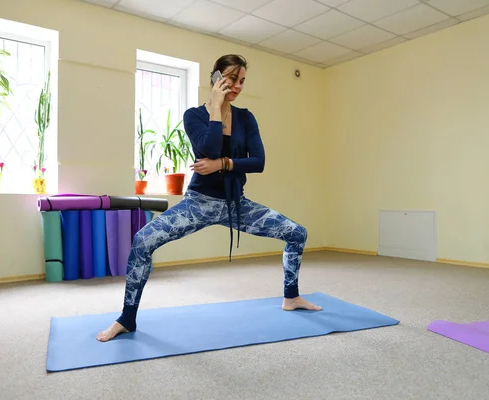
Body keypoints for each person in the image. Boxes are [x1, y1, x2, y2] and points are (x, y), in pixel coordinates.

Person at [97, 54, 321, 342]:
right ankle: (127, 318)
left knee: (297, 233)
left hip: (236, 205)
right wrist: (216, 106)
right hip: (198, 203)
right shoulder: (194, 115)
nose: (237, 86)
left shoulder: (245, 117)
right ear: (215, 77)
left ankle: (291, 297)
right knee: (142, 241)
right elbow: (208, 147)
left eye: (241, 81)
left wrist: (223, 164)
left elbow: (259, 162)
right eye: (230, 78)